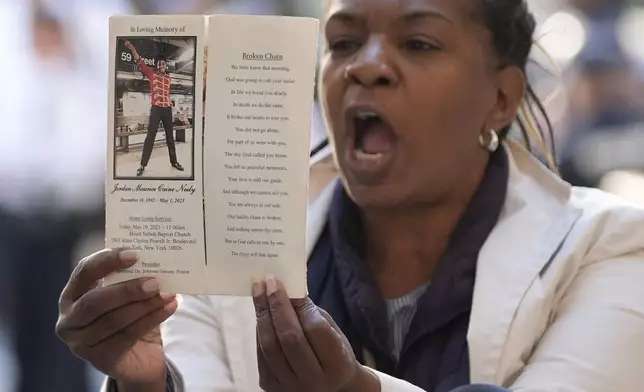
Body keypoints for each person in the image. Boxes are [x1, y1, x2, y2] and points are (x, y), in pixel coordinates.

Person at [56, 0, 644, 391]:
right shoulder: (226, 245)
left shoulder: (608, 248)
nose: (366, 67)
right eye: (342, 43)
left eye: (418, 43)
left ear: (501, 97)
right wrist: (146, 380)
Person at [124, 40, 184, 177]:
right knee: (150, 137)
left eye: (162, 63)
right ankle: (142, 165)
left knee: (170, 137)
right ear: (157, 65)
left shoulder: (168, 78)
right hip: (156, 109)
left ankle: (174, 162)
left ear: (165, 65)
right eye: (159, 63)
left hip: (167, 109)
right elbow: (139, 61)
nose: (161, 65)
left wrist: (171, 106)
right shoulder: (152, 74)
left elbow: (167, 94)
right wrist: (132, 47)